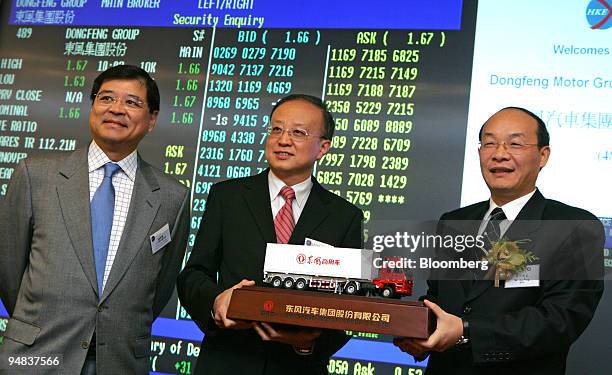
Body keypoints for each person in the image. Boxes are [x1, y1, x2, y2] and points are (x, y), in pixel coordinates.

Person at [0, 65, 190, 374]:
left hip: (120, 360)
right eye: (106, 98)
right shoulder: (35, 175)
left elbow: (160, 286)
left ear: (152, 119)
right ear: (93, 106)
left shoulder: (172, 197)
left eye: (132, 102)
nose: (116, 109)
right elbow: (9, 271)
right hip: (37, 355)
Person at [394, 107, 604, 374]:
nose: (499, 153)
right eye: (489, 143)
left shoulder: (575, 226)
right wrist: (417, 328)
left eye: (515, 143)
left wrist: (467, 331)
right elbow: (439, 297)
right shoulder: (453, 221)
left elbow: (560, 320)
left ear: (543, 155)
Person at [177, 94, 363, 375]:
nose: (283, 139)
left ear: (323, 147)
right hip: (228, 360)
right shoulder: (227, 197)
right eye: (276, 129)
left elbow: (352, 305)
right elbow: (193, 275)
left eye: (298, 132)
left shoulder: (344, 216)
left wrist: (307, 345)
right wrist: (217, 302)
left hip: (298, 367)